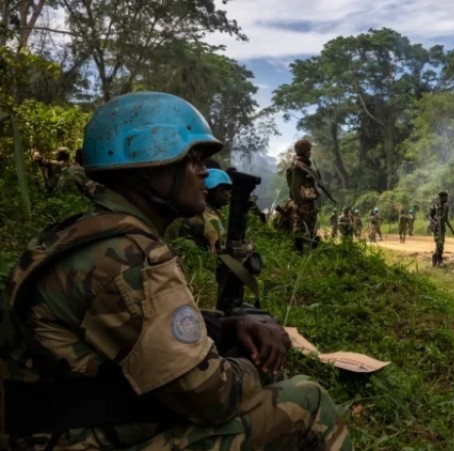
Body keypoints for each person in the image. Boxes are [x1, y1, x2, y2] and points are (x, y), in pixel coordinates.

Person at [0, 92, 352, 450]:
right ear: (151, 166)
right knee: (306, 400)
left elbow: (134, 322)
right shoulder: (132, 257)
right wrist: (257, 365)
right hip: (72, 437)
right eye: (193, 159)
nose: (204, 172)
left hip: (47, 428)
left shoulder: (81, 233)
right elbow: (211, 398)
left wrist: (222, 325)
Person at [172, 168, 232, 254]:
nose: (227, 193)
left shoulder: (198, 210)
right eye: (222, 189)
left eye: (228, 189)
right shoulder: (209, 217)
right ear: (208, 191)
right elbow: (224, 247)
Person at [288, 139, 321, 252]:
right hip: (302, 202)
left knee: (311, 224)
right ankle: (299, 250)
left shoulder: (305, 165)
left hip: (308, 201)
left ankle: (310, 247)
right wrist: (298, 203)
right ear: (304, 151)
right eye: (308, 150)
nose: (310, 152)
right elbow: (295, 187)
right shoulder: (298, 167)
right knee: (300, 226)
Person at [428, 192, 454, 267]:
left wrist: (451, 229)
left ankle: (437, 259)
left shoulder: (446, 208)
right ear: (441, 198)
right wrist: (435, 222)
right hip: (436, 229)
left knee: (441, 245)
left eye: (447, 197)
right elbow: (430, 217)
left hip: (442, 229)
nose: (447, 199)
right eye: (445, 197)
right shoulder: (434, 207)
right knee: (439, 244)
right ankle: (438, 260)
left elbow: (446, 219)